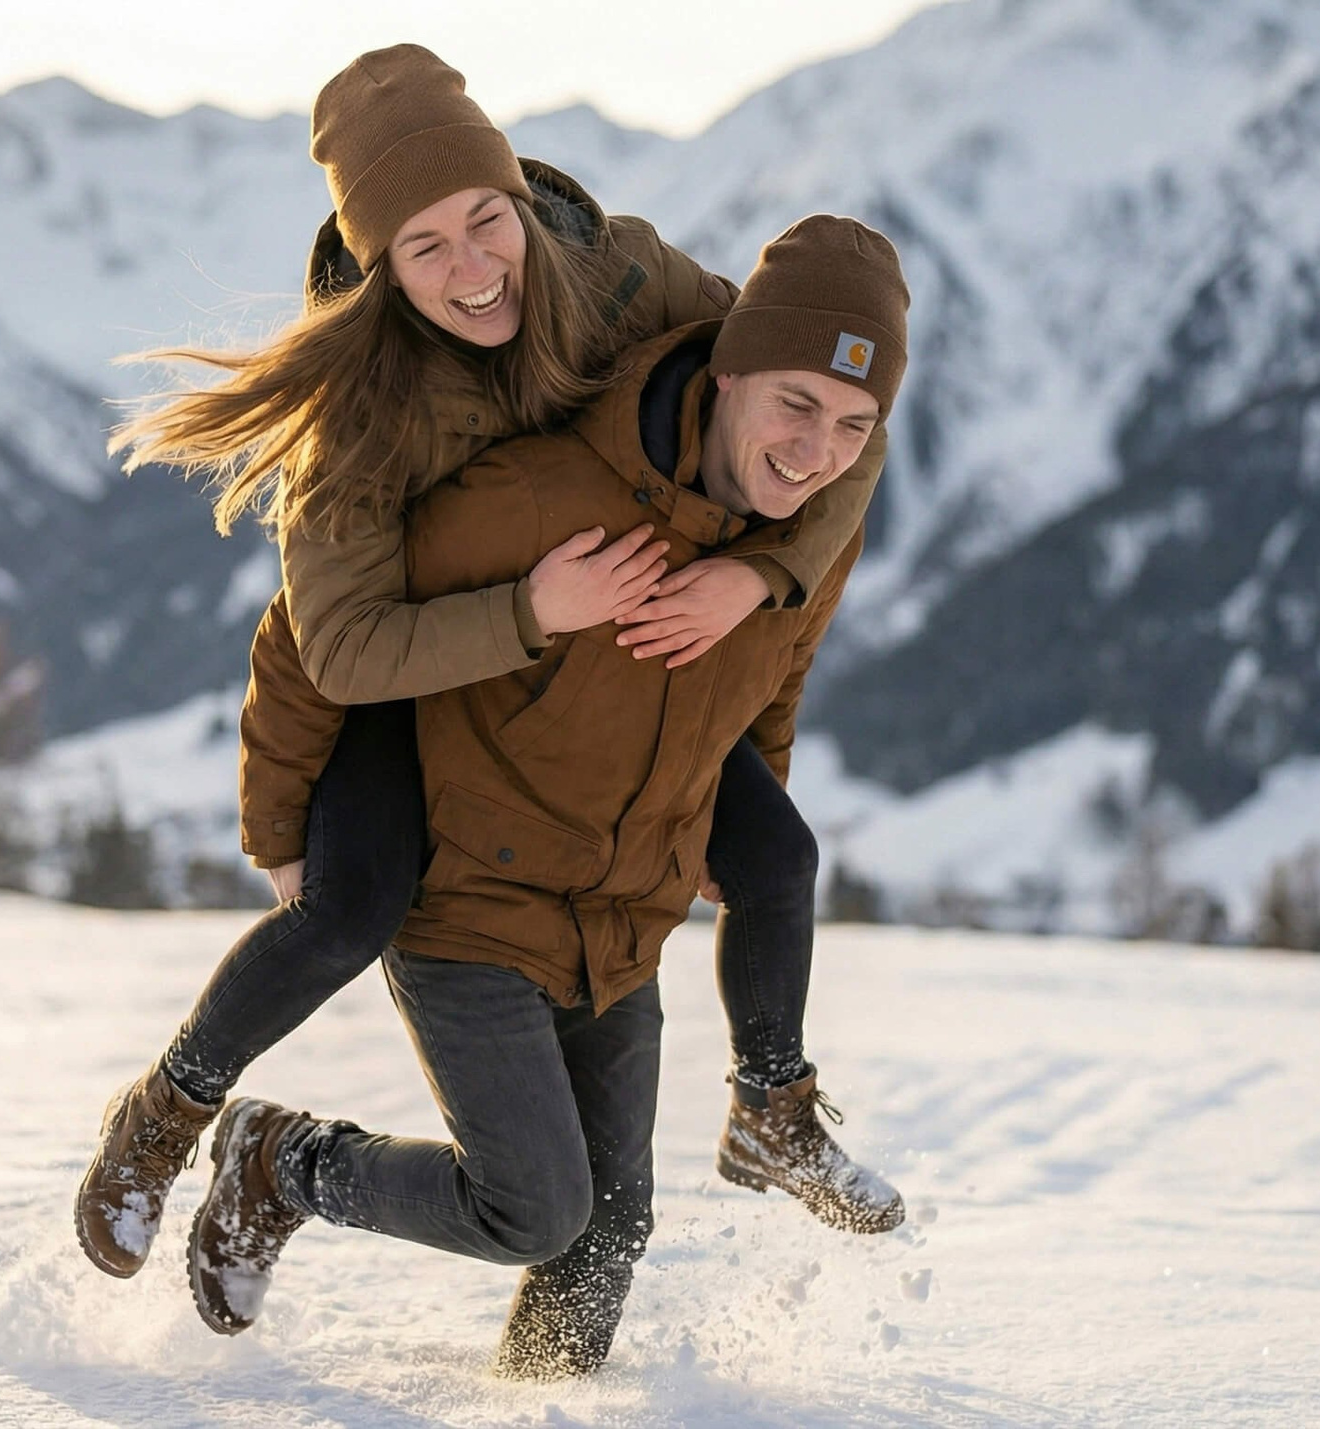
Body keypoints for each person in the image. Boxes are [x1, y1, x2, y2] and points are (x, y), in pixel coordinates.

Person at [77, 45, 895, 1287]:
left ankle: (768, 1113)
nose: (473, 269)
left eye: (485, 218)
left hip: (595, 679)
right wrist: (525, 612)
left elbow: (827, 395)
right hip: (405, 683)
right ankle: (178, 1114)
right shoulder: (362, 416)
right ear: (378, 268)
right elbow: (325, 645)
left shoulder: (623, 279)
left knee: (775, 857)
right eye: (424, 248)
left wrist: (755, 577)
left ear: (520, 199)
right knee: (348, 907)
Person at [186, 216, 913, 1378]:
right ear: (726, 367)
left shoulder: (809, 531)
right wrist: (279, 822)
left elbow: (775, 674)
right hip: (468, 898)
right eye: (793, 403)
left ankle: (535, 1407)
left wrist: (735, 813)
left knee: (607, 1236)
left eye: (852, 426)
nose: (816, 449)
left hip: (622, 911)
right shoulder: (541, 493)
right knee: (534, 1208)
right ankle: (283, 1161)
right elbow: (315, 639)